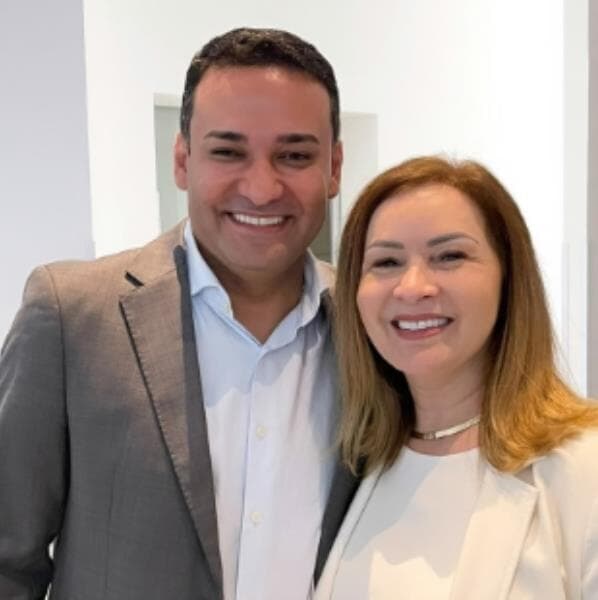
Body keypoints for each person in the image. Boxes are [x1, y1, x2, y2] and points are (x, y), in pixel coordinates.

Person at [0, 28, 359, 600]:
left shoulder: (369, 329)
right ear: (182, 159)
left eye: (294, 155)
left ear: (334, 167)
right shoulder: (72, 317)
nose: (261, 188)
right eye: (228, 152)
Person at [315, 156, 598, 599]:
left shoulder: (584, 466)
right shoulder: (359, 464)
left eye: (449, 256)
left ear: (509, 277)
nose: (413, 287)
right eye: (386, 262)